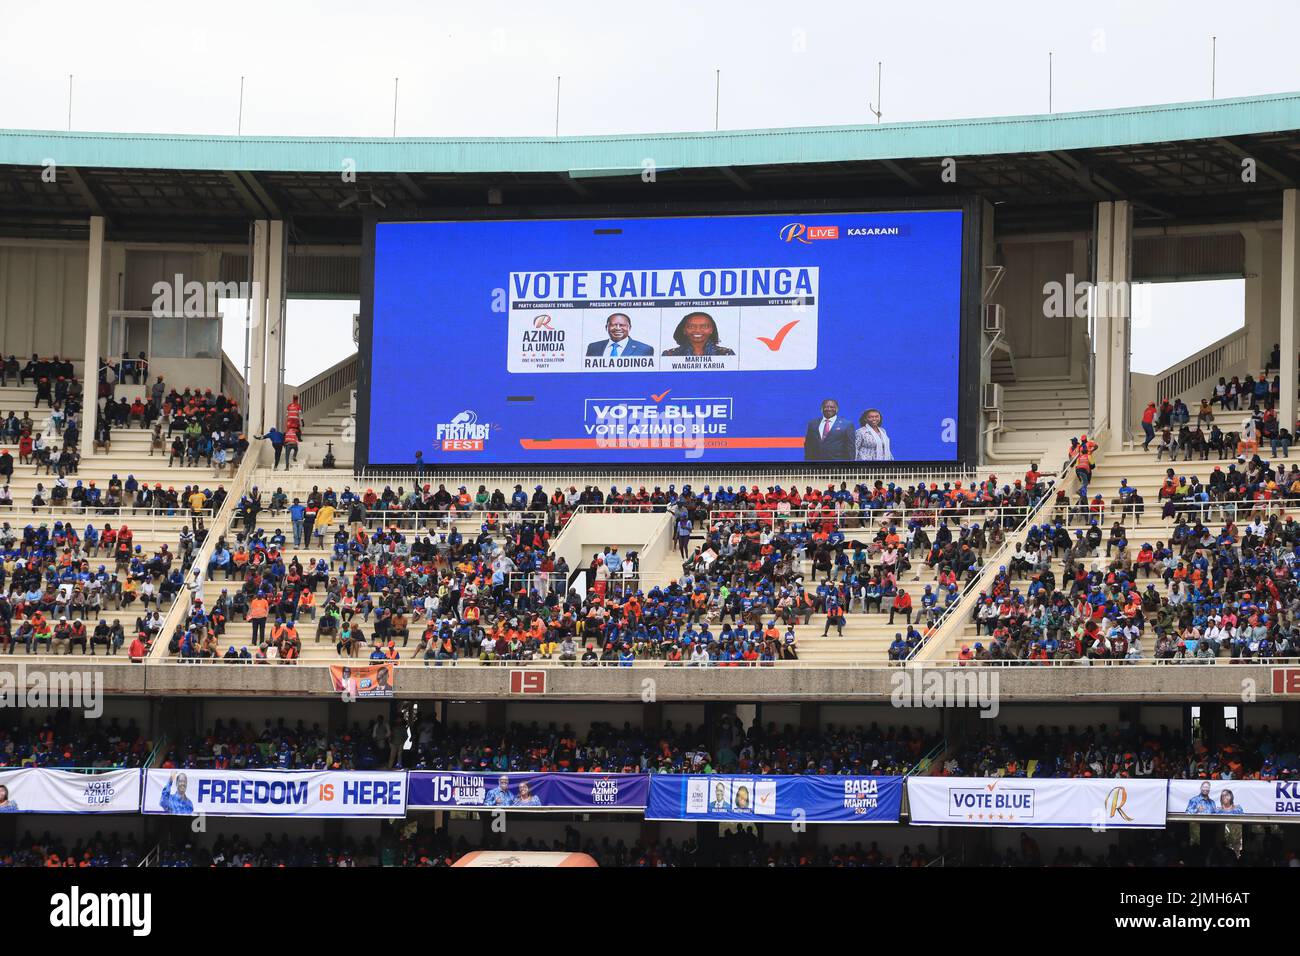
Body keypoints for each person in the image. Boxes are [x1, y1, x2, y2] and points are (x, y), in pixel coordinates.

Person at [661, 311, 734, 357]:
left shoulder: (726, 354)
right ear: (684, 330)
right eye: (691, 326)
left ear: (711, 330)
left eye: (704, 326)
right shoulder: (669, 355)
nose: (697, 330)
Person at [586, 312, 654, 357]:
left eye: (622, 325)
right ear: (607, 327)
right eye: (613, 325)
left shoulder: (644, 349)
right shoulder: (593, 347)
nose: (618, 328)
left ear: (629, 328)